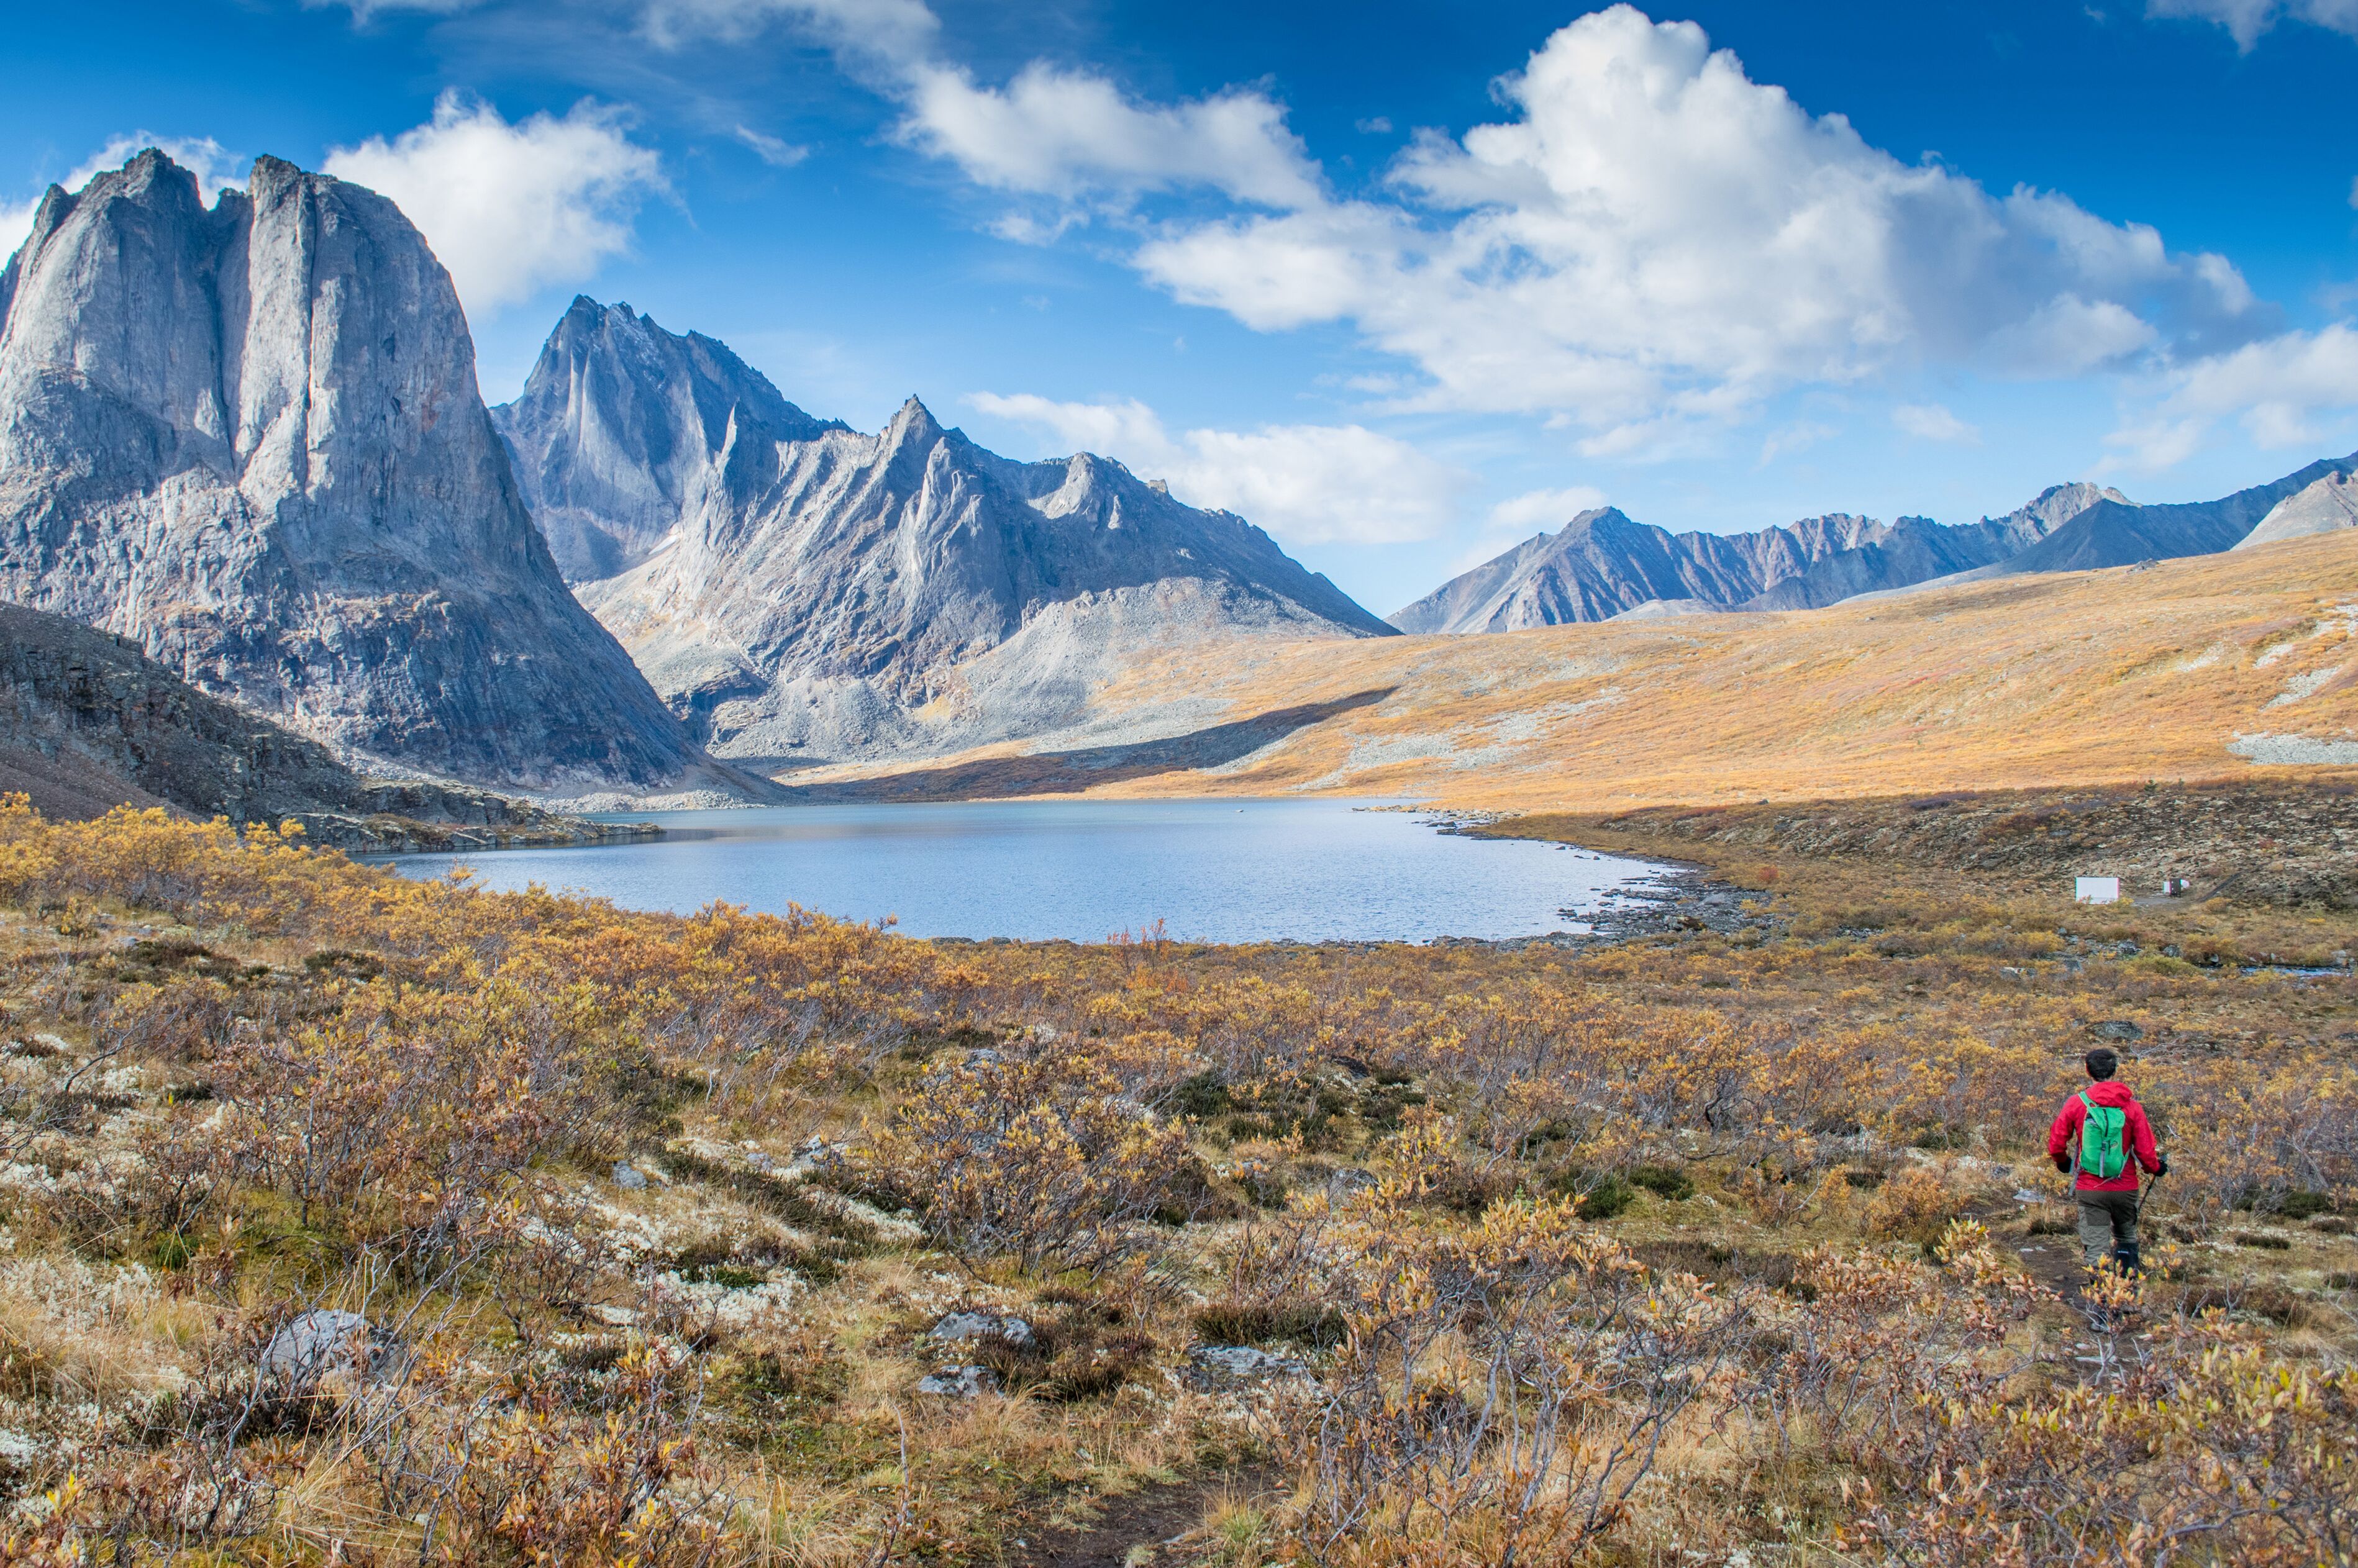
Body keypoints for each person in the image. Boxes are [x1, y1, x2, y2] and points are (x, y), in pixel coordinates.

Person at [2046, 1046, 2165, 1272]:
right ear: (2115, 1071)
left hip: (2090, 1190)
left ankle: (2100, 1302)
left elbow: (2056, 1143)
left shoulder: (2077, 1103)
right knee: (2126, 1237)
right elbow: (2145, 1151)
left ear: (2087, 1071)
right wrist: (2157, 1168)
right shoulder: (2132, 1107)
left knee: (2096, 1245)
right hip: (2125, 1188)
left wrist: (2063, 1163)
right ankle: (2127, 1296)